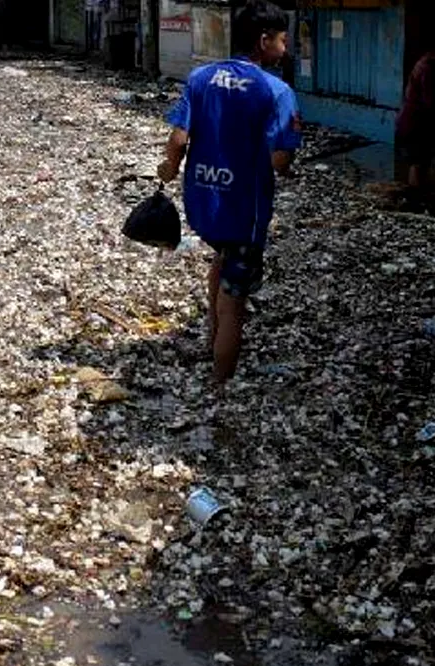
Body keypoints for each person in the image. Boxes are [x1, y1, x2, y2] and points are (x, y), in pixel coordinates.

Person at [157, 0, 300, 385]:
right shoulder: (276, 91)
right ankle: (219, 384)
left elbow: (178, 139)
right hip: (244, 211)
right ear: (264, 40)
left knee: (220, 260)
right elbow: (280, 162)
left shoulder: (201, 78)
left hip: (204, 204)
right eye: (283, 41)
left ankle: (210, 338)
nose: (286, 49)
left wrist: (169, 169)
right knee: (233, 301)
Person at [395, 25, 435, 189]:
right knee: (419, 164)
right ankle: (417, 201)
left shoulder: (426, 62)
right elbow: (431, 102)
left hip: (411, 122)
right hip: (416, 124)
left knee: (418, 164)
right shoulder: (429, 67)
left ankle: (416, 198)